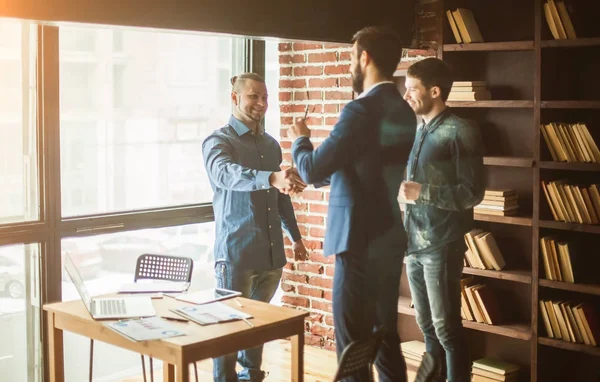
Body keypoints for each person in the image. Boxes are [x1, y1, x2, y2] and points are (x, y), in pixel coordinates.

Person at [288, 26, 417, 382]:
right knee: (384, 335)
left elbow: (313, 168)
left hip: (358, 240)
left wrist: (300, 139)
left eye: (350, 58)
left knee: (352, 346)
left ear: (365, 57)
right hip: (388, 234)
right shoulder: (404, 111)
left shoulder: (360, 110)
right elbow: (365, 165)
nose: (349, 67)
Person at [202, 72, 308, 382]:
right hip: (236, 255)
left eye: (264, 97)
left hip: (271, 256)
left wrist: (296, 238)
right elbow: (226, 174)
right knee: (229, 328)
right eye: (253, 96)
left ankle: (252, 377)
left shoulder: (271, 145)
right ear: (234, 98)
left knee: (256, 326)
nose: (261, 103)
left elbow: (280, 197)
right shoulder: (218, 141)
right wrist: (271, 177)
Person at [400, 57, 485, 382]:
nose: (406, 96)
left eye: (412, 90)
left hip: (442, 244)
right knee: (426, 327)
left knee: (447, 329)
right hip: (413, 244)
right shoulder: (417, 130)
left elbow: (472, 192)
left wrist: (422, 192)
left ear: (435, 91)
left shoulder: (461, 130)